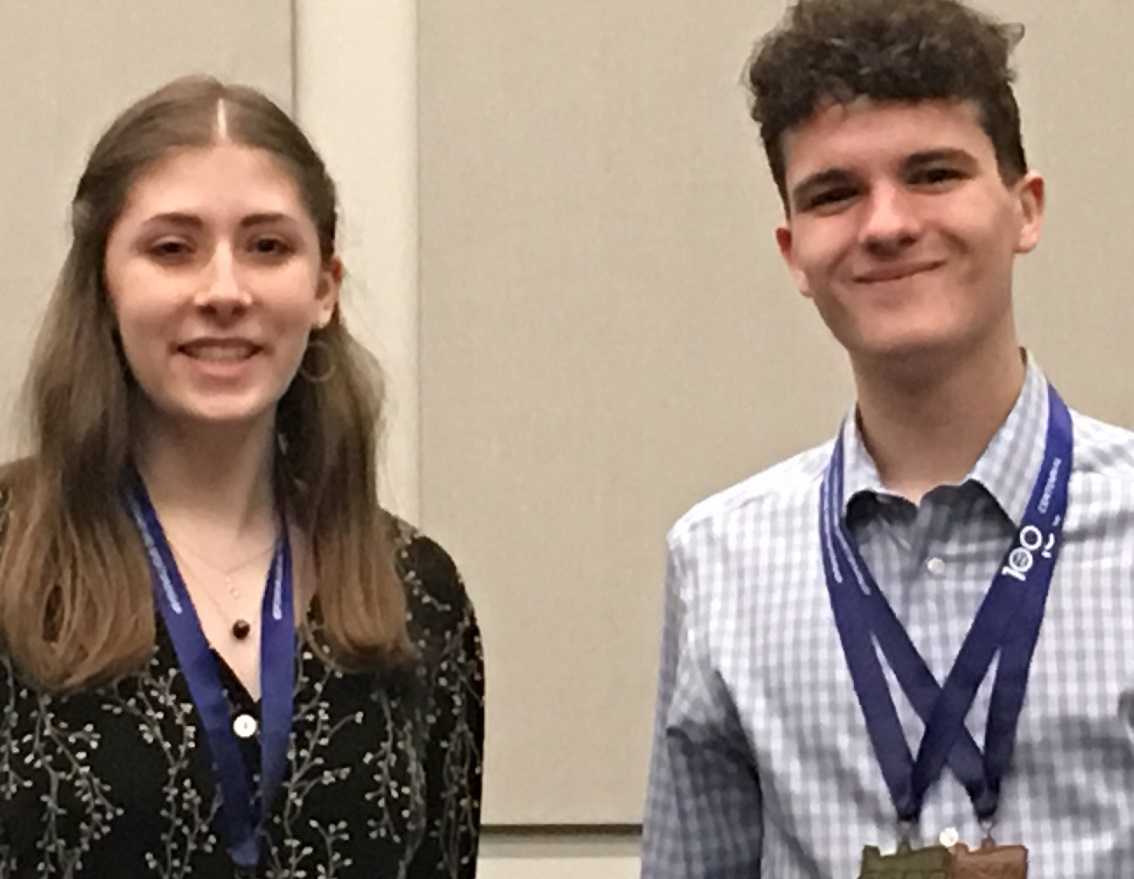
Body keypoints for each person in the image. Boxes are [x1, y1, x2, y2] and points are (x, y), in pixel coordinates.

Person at [641, 1, 1134, 876]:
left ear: (1026, 210)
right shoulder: (719, 560)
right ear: (794, 252)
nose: (886, 225)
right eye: (835, 194)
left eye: (933, 174)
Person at [0, 76, 483, 878]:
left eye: (267, 247)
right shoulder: (9, 556)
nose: (224, 291)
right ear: (102, 285)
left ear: (323, 288)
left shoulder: (418, 593)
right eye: (172, 248)